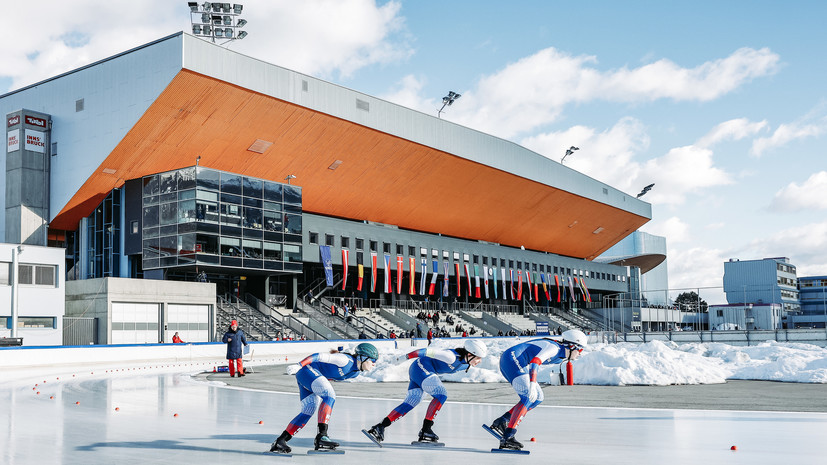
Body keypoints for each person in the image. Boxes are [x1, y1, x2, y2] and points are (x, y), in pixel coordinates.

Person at [364, 340, 488, 445]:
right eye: (478, 358)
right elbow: (425, 351)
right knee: (441, 394)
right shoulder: (450, 356)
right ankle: (426, 429)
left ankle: (380, 427)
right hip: (421, 367)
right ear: (469, 354)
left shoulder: (465, 362)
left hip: (421, 371)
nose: (479, 361)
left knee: (411, 402)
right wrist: (403, 358)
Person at [487, 329, 588, 451]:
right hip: (511, 360)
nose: (580, 354)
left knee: (538, 398)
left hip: (513, 361)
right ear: (572, 346)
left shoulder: (561, 355)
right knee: (529, 396)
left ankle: (502, 421)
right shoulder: (554, 348)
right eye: (580, 349)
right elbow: (535, 362)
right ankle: (508, 436)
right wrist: (532, 384)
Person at [270, 343, 379, 454]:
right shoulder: (345, 360)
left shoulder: (355, 374)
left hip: (310, 377)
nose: (374, 364)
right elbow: (318, 356)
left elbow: (329, 374)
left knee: (308, 410)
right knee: (329, 395)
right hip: (307, 370)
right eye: (373, 361)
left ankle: (280, 441)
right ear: (363, 357)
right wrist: (299, 364)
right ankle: (322, 436)